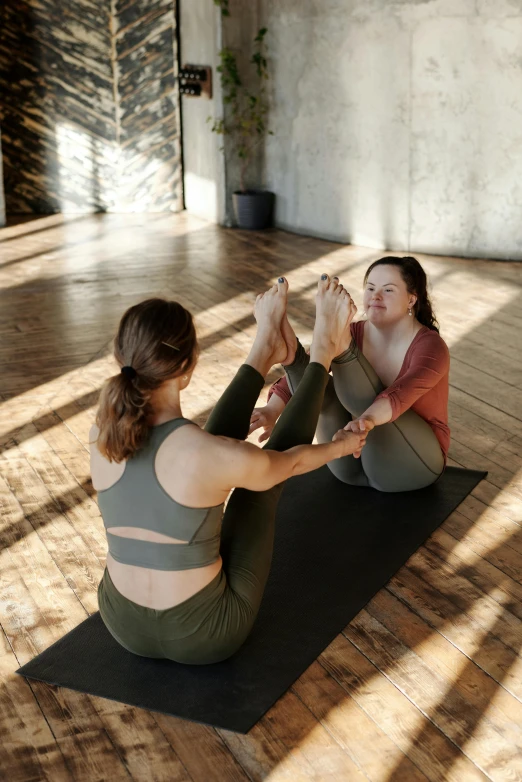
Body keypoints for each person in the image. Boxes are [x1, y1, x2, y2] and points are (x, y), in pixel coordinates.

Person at [90, 276, 367, 664]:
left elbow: (199, 456)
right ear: (187, 368)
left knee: (215, 461)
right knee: (258, 490)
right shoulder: (205, 453)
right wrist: (341, 445)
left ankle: (266, 347)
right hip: (205, 636)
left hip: (121, 623)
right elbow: (293, 462)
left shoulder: (102, 432)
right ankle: (322, 349)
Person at [250, 256, 450, 493]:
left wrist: (365, 422)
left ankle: (336, 344)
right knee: (324, 389)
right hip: (348, 463)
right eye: (370, 288)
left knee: (365, 394)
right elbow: (314, 370)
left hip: (414, 465)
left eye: (388, 290)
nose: (375, 296)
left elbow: (399, 396)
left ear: (411, 299)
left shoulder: (431, 346)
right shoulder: (354, 330)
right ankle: (290, 356)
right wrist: (272, 410)